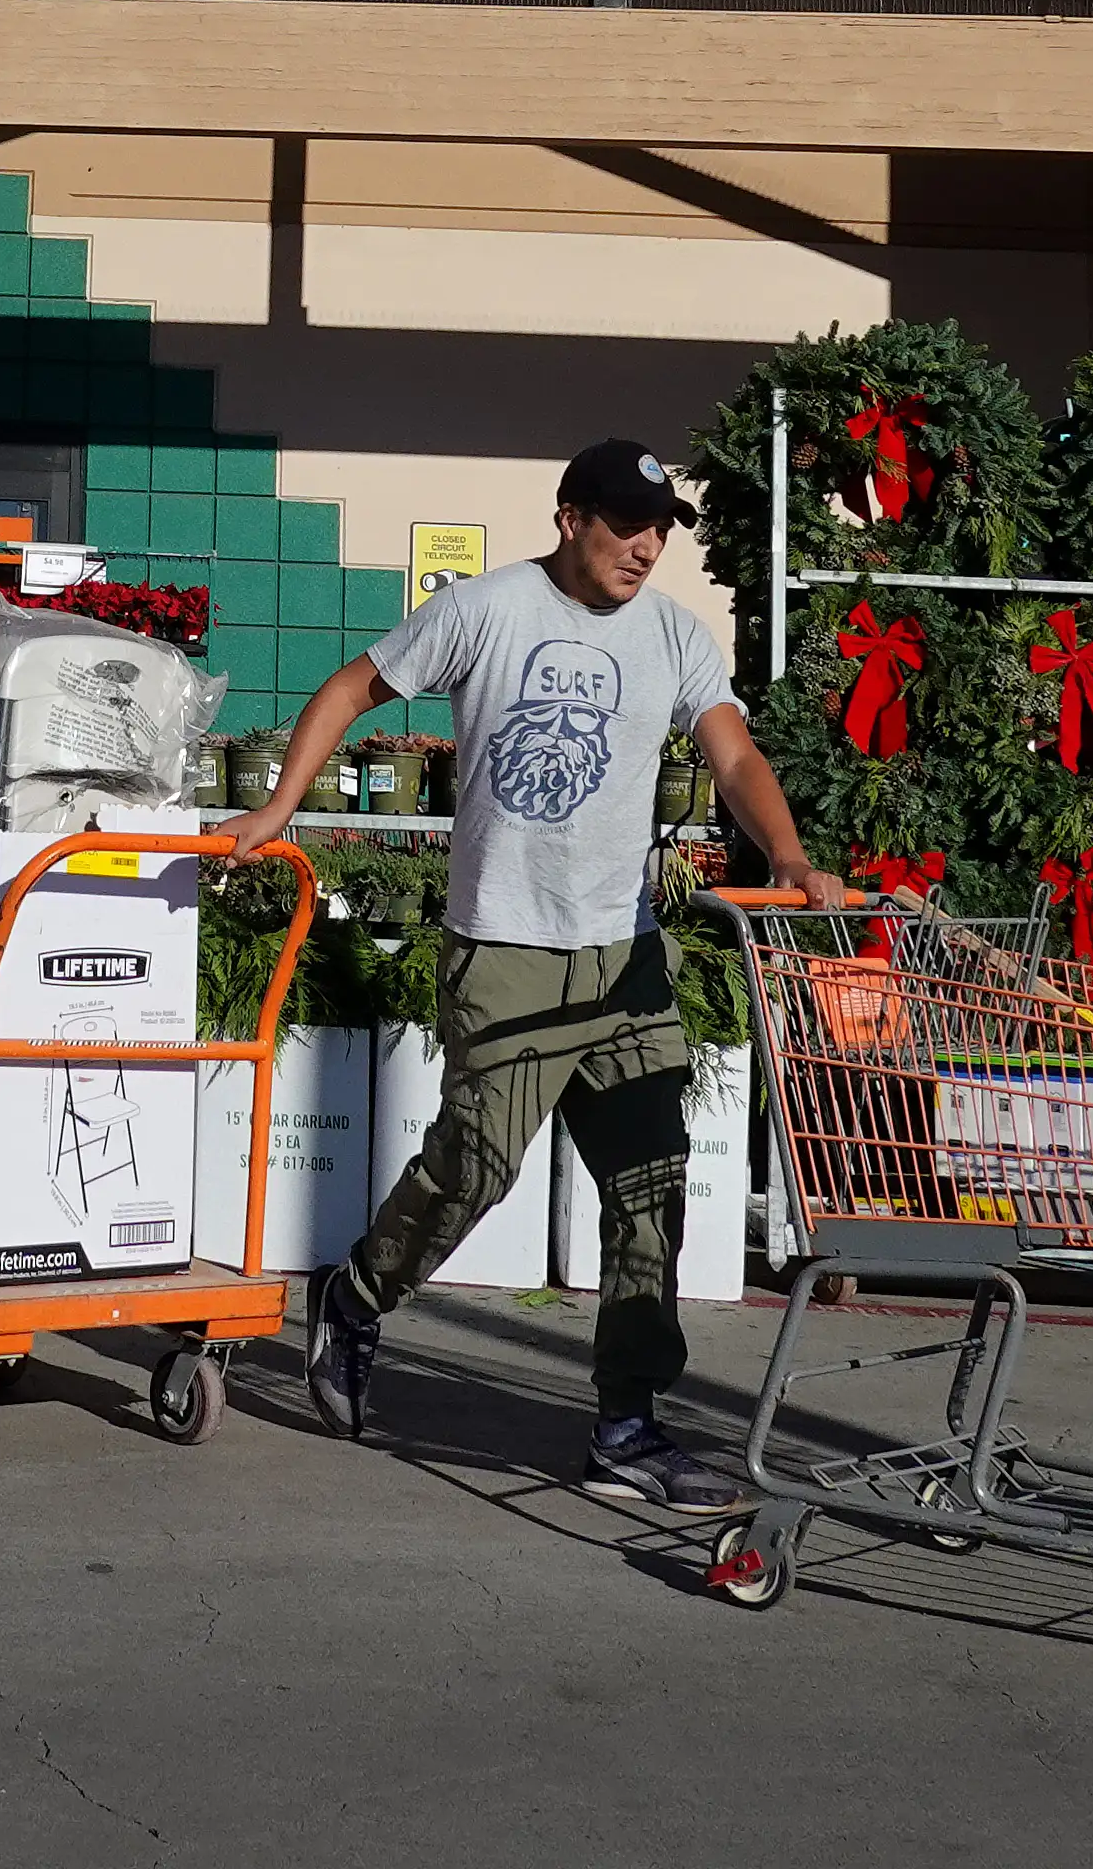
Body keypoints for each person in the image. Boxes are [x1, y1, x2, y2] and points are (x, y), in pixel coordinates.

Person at [218, 439, 844, 1509]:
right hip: (502, 952)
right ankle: (356, 1296)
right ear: (569, 518)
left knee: (649, 1190)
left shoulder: (671, 636)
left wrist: (784, 854)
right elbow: (349, 687)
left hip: (622, 959)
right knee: (473, 1172)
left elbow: (732, 755)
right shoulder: (485, 610)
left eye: (658, 530)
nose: (643, 547)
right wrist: (277, 808)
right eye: (623, 525)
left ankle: (627, 1424)